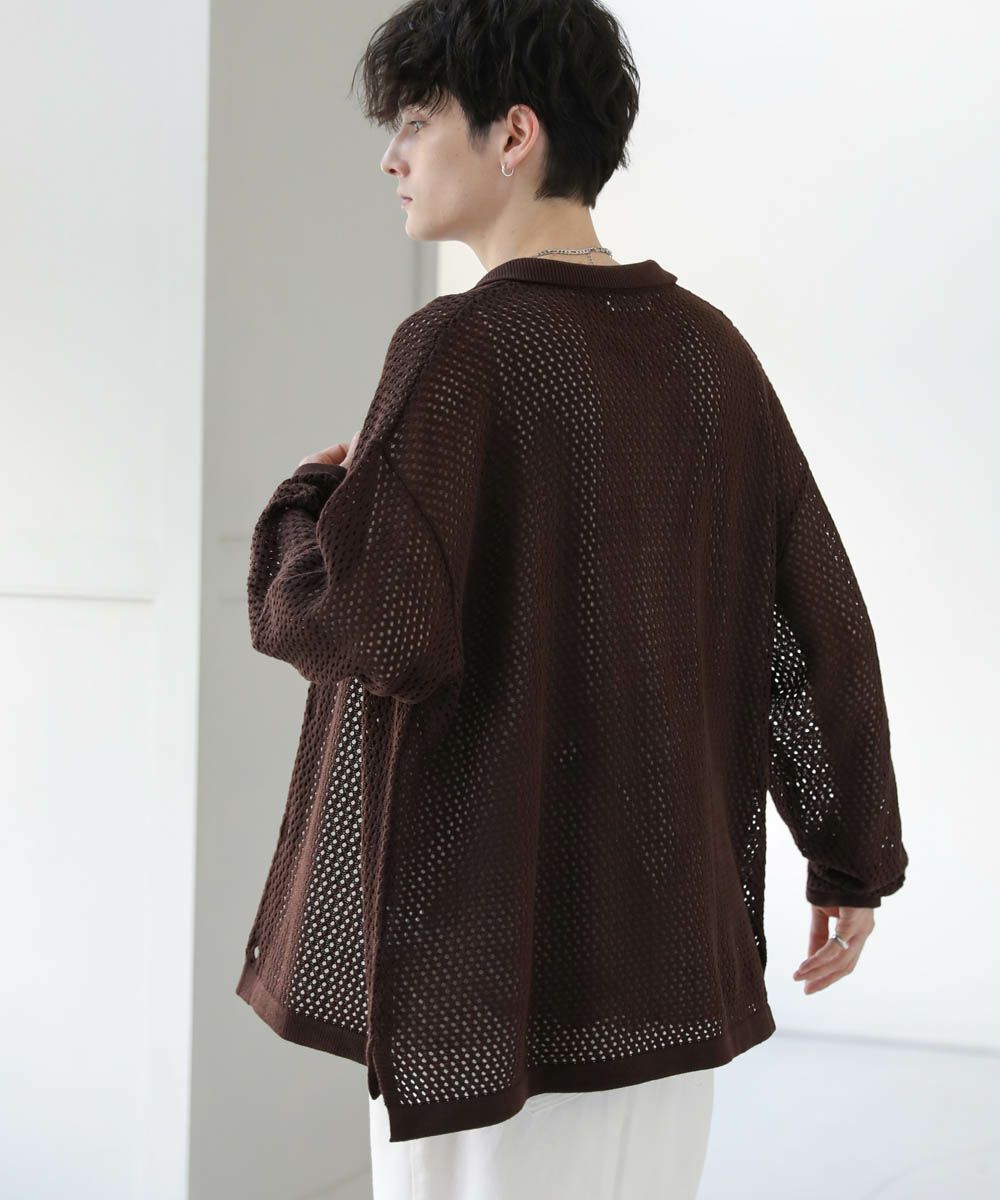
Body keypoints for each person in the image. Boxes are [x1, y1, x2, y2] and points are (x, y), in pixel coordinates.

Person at [237, 1, 907, 1196]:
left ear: (514, 134)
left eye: (415, 120)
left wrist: (305, 501)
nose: (391, 157)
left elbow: (361, 625)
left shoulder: (456, 347)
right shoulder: (709, 351)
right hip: (663, 951)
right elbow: (814, 627)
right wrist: (847, 860)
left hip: (483, 962)